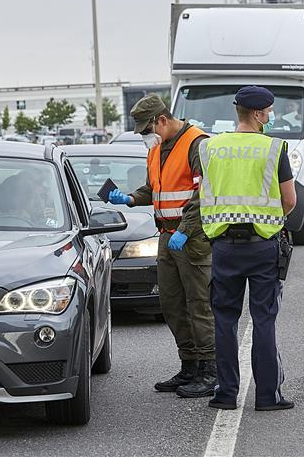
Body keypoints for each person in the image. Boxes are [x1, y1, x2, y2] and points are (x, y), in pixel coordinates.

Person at [108, 94, 217, 398]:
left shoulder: (196, 143)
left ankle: (211, 369)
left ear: (163, 120)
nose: (146, 136)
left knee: (199, 304)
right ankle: (190, 365)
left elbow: (204, 193)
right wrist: (129, 198)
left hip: (191, 237)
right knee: (171, 303)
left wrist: (186, 230)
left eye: (147, 130)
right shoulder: (157, 151)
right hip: (167, 237)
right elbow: (153, 188)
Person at [198, 85, 297, 412]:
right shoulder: (272, 149)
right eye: (268, 112)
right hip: (262, 247)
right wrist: (269, 220)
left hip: (224, 246)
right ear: (256, 114)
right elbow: (289, 200)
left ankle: (226, 394)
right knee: (264, 320)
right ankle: (268, 396)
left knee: (224, 321)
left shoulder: (210, 148)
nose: (270, 116)